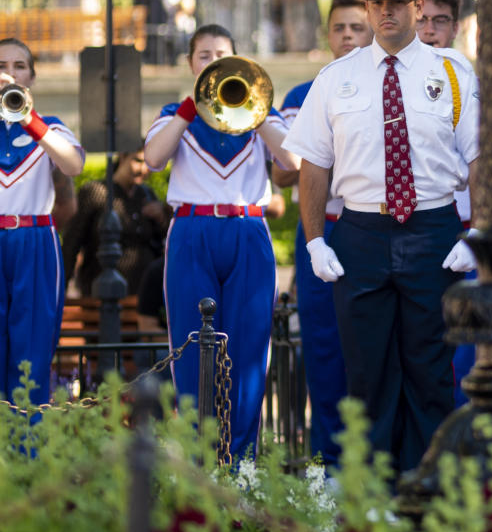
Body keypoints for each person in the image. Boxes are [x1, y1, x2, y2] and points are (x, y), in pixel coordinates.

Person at [283, 0, 480, 475]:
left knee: (431, 367)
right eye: (376, 3)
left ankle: (429, 484)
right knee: (366, 369)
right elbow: (313, 166)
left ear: (419, 6)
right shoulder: (334, 78)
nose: (385, 12)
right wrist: (314, 241)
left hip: (433, 228)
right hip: (362, 230)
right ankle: (373, 492)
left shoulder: (452, 74)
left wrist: (476, 230)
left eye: (396, 2)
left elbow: (482, 158)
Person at [144, 25, 297, 457]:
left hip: (248, 228)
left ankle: (241, 463)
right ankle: (198, 462)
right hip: (193, 229)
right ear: (191, 64)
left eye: (221, 54)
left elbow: (293, 159)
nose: (212, 61)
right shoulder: (175, 112)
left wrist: (258, 107)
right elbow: (154, 158)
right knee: (192, 351)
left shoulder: (262, 113)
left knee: (248, 352)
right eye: (204, 55)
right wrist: (191, 107)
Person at [273, 0, 373, 462]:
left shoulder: (386, 84)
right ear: (328, 35)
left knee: (374, 347)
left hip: (370, 227)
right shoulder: (302, 95)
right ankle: (328, 465)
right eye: (339, 28)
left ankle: (375, 460)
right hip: (321, 229)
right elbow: (286, 172)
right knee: (323, 347)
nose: (348, 35)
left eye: (357, 26)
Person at [0, 38, 85, 405]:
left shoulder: (50, 126)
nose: (10, 73)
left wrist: (28, 119)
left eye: (20, 66)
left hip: (35, 238)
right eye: (2, 65)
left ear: (31, 77)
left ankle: (29, 455)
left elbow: (73, 164)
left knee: (31, 353)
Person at [416, 0, 479, 405]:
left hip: (464, 228)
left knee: (465, 352)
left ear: (455, 27)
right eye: (422, 20)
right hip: (417, 228)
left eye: (440, 21)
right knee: (421, 347)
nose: (430, 30)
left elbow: (482, 159)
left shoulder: (464, 73)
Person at [60, 149, 168, 301]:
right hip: (103, 292)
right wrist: (60, 289)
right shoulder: (97, 192)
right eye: (138, 161)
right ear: (122, 157)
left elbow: (160, 242)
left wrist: (162, 219)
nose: (144, 169)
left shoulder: (146, 194)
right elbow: (72, 243)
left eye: (149, 164)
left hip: (144, 293)